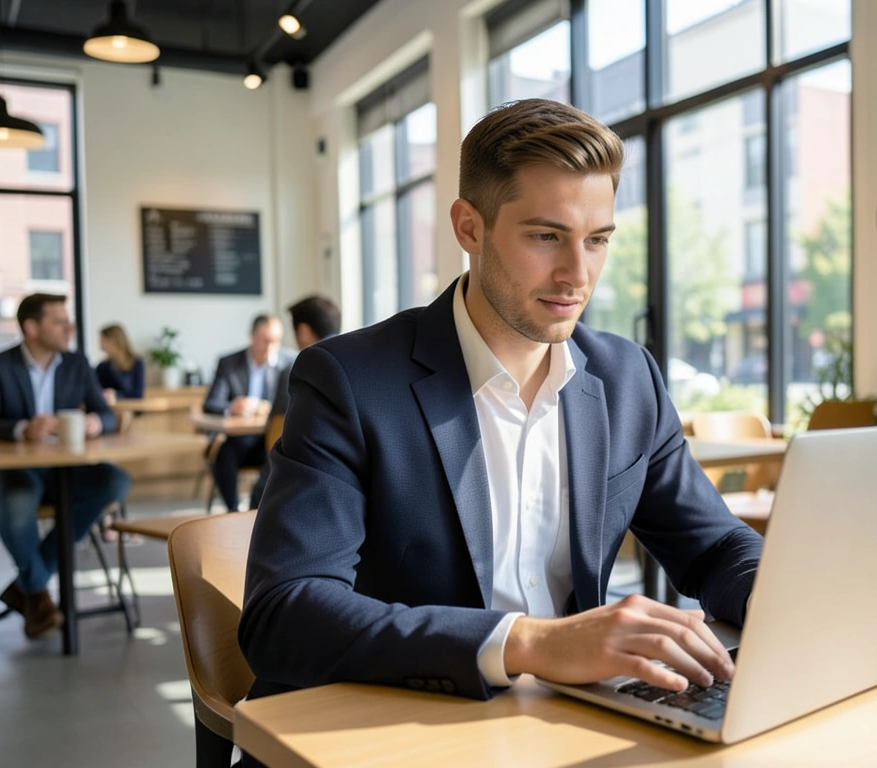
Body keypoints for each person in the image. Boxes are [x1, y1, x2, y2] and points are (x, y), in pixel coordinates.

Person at [238, 98, 761, 736]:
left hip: (567, 725)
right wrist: (531, 644)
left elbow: (714, 545)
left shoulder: (628, 380)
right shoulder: (347, 382)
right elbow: (284, 615)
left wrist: (781, 598)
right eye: (546, 236)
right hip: (400, 728)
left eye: (597, 240)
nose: (578, 274)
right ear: (469, 228)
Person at [0, 293, 132, 639]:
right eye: (59, 321)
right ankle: (36, 592)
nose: (70, 328)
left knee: (115, 481)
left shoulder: (76, 364)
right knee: (20, 498)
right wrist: (22, 428)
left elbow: (107, 415)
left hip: (61, 471)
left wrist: (96, 422)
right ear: (31, 328)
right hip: (7, 473)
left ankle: (29, 586)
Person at [247, 294, 341, 509]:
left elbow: (277, 431)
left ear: (304, 331)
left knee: (261, 490)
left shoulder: (299, 367)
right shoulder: (357, 362)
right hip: (346, 474)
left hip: (301, 472)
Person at [202, 315, 296, 511]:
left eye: (276, 340)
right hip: (240, 439)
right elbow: (211, 403)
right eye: (266, 340)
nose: (271, 346)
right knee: (223, 453)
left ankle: (262, 510)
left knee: (285, 451)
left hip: (272, 437)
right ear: (252, 337)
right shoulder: (229, 363)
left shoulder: (289, 362)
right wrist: (231, 407)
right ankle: (233, 510)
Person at [94, 323, 145, 404]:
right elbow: (95, 391)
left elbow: (137, 395)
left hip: (132, 409)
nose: (100, 344)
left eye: (103, 340)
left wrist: (116, 394)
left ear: (112, 341)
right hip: (110, 411)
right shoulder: (102, 367)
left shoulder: (137, 363)